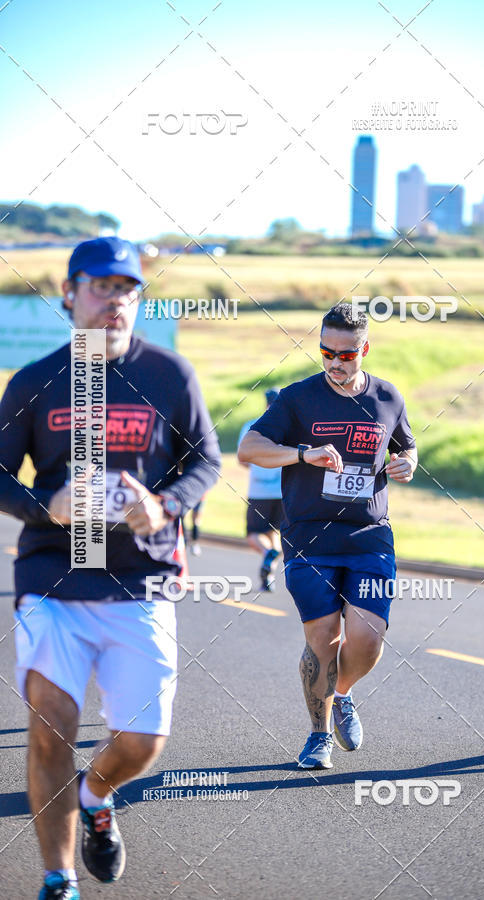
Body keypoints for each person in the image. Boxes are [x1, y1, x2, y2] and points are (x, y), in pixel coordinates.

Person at [0, 237, 220, 899]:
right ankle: (59, 879)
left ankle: (98, 794)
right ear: (69, 295)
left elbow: (205, 461)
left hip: (139, 583)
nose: (115, 300)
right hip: (55, 580)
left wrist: (167, 505)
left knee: (142, 745)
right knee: (50, 724)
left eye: (127, 288)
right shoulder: (37, 380)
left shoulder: (170, 376)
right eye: (100, 287)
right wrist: (48, 505)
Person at [238, 302, 417, 769]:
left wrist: (406, 464)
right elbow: (249, 448)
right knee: (323, 635)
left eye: (346, 354)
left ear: (364, 349)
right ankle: (318, 736)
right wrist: (302, 453)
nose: (336, 363)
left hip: (369, 535)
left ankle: (343, 693)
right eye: (326, 352)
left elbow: (407, 448)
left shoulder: (387, 398)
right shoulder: (297, 399)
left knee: (367, 637)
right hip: (309, 536)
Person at [237, 389, 283, 591]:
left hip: (259, 491)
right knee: (274, 534)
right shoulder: (288, 426)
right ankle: (268, 577)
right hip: (282, 491)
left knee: (253, 534)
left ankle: (267, 555)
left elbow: (243, 459)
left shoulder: (252, 426)